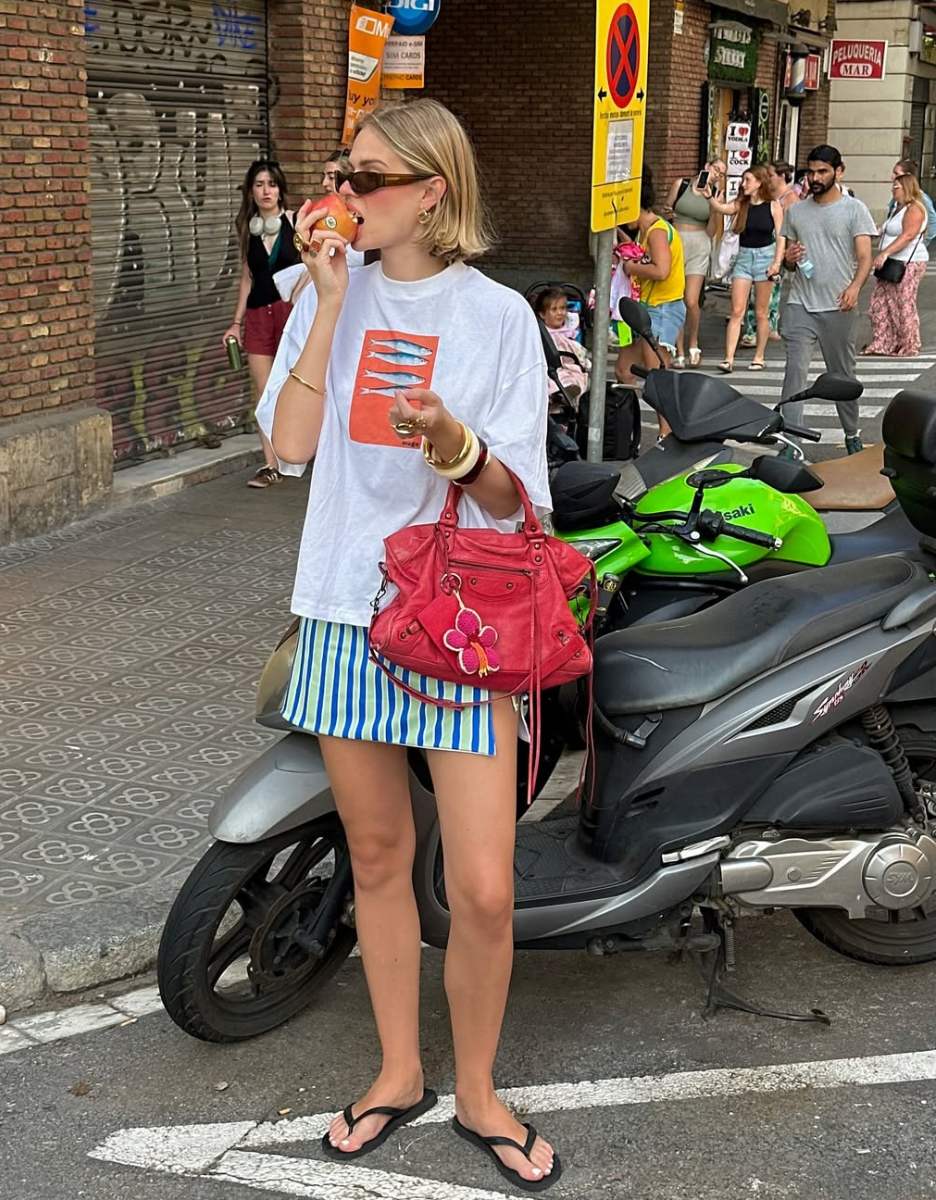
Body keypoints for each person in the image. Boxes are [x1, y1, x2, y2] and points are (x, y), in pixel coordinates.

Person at [256, 99, 560, 1190]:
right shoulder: (322, 293)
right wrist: (330, 303)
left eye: (371, 178)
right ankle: (398, 1072)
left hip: (459, 624)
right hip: (345, 611)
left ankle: (478, 1091)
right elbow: (289, 451)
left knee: (481, 888)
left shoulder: (497, 318)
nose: (346, 193)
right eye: (344, 173)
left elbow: (518, 500)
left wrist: (454, 444)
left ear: (433, 191)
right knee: (378, 860)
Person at [779, 145, 876, 455]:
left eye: (822, 171)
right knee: (795, 372)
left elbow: (864, 257)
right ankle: (790, 442)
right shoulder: (796, 211)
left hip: (839, 305)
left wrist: (854, 288)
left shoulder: (854, 209)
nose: (815, 178)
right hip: (801, 304)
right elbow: (789, 261)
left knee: (842, 375)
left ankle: (852, 434)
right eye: (811, 172)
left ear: (839, 172)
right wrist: (789, 259)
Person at [222, 160, 301, 488]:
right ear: (251, 191)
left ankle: (303, 451)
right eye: (259, 184)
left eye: (271, 184)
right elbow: (247, 279)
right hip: (257, 315)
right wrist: (235, 323)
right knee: (264, 391)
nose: (266, 190)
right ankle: (272, 465)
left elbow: (314, 266)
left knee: (299, 385)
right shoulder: (248, 228)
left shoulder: (296, 222)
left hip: (290, 313)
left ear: (280, 189)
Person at [701, 166, 784, 373]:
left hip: (765, 257)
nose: (743, 183)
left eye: (748, 179)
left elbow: (781, 236)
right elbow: (723, 209)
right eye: (743, 179)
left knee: (761, 312)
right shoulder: (741, 205)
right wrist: (708, 195)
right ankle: (728, 358)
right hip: (744, 258)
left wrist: (776, 262)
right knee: (737, 310)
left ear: (759, 182)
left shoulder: (773, 206)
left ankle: (759, 356)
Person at [615, 165, 686, 392]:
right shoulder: (645, 231)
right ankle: (629, 414)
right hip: (648, 308)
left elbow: (661, 270)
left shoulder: (657, 231)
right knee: (624, 369)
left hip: (662, 308)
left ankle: (666, 418)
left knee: (656, 378)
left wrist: (630, 267)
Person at [663, 158, 726, 368]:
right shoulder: (681, 184)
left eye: (722, 174)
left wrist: (715, 208)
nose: (717, 175)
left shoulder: (715, 195)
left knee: (691, 300)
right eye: (716, 169)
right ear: (707, 166)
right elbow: (666, 209)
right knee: (676, 297)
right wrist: (667, 211)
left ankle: (693, 342)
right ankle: (679, 350)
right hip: (676, 240)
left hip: (699, 244)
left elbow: (711, 232)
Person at [862, 170, 929, 357]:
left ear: (906, 188)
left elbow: (908, 235)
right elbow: (886, 230)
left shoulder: (914, 209)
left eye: (896, 187)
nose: (893, 190)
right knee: (880, 302)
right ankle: (883, 342)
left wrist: (885, 253)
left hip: (907, 262)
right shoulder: (896, 209)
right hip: (891, 263)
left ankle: (909, 344)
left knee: (903, 303)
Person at [740, 160, 796, 347]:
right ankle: (758, 329)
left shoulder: (790, 198)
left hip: (775, 250)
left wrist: (785, 253)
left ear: (782, 176)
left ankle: (765, 329)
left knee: (770, 294)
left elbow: (790, 228)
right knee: (755, 294)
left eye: (771, 175)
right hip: (760, 247)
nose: (768, 178)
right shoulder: (769, 196)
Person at [533, 286, 589, 400]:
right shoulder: (541, 334)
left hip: (569, 367)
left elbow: (576, 352)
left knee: (575, 377)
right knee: (554, 379)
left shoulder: (569, 332)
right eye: (554, 310)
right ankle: (558, 394)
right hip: (550, 369)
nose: (560, 313)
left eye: (562, 308)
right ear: (542, 314)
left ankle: (566, 394)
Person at [887, 159, 936, 247]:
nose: (892, 177)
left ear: (908, 176)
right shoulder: (897, 196)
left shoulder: (921, 197)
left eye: (896, 174)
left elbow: (933, 223)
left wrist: (921, 243)